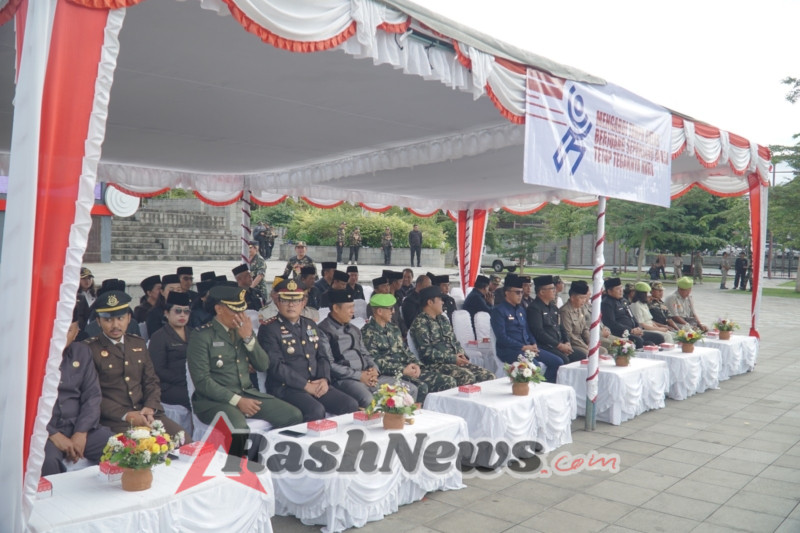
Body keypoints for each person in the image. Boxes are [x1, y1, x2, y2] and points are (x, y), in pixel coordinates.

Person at [188, 286, 301, 459]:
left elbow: (263, 365)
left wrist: (249, 339)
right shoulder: (202, 336)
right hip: (213, 401)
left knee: (292, 415)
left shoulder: (242, 330)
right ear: (219, 309)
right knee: (238, 427)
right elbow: (202, 381)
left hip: (246, 393)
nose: (241, 316)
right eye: (235, 310)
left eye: (243, 310)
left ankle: (278, 459)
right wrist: (238, 401)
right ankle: (240, 473)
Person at [86, 290, 185, 436]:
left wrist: (150, 406)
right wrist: (126, 415)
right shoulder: (89, 349)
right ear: (99, 322)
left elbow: (151, 380)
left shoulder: (137, 343)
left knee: (183, 439)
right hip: (116, 419)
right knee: (142, 450)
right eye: (108, 320)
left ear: (129, 318)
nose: (115, 325)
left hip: (147, 413)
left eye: (120, 318)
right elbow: (92, 394)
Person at [258, 280, 358, 421]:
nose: (291, 305)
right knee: (316, 410)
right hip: (287, 388)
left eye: (296, 300)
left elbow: (322, 357)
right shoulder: (269, 328)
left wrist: (324, 379)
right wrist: (305, 386)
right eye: (286, 301)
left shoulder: (310, 324)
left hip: (316, 383)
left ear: (303, 302)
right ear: (277, 303)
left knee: (350, 404)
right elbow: (276, 366)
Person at [319, 290, 420, 406]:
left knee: (410, 389)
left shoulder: (354, 329)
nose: (353, 311)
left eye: (353, 307)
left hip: (368, 375)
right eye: (349, 308)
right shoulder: (324, 331)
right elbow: (329, 364)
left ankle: (397, 422)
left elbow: (365, 354)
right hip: (345, 379)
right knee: (369, 400)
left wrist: (374, 369)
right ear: (336, 308)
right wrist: (359, 376)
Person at [42, 319, 114, 476]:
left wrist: (81, 432)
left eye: (68, 330)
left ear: (76, 333)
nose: (61, 336)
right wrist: (52, 433)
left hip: (79, 425)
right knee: (47, 461)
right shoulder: (33, 355)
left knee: (116, 447)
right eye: (58, 330)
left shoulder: (82, 352)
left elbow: (92, 396)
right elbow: (26, 404)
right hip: (45, 429)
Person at [363, 293, 459, 404]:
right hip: (391, 374)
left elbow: (405, 351)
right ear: (379, 312)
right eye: (389, 309)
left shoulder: (393, 328)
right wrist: (402, 370)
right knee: (421, 387)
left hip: (407, 369)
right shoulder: (367, 333)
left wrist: (416, 365)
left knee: (448, 381)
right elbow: (376, 362)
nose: (393, 312)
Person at [410, 286, 495, 385]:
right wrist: (453, 358)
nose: (442, 302)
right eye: (440, 300)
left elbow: (454, 341)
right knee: (467, 377)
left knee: (489, 376)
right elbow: (427, 353)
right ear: (430, 302)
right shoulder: (420, 323)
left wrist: (461, 354)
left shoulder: (442, 319)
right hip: (436, 365)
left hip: (455, 362)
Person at [490, 276, 564, 383]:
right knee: (535, 365)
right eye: (517, 292)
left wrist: (533, 344)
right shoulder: (499, 311)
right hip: (510, 350)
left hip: (527, 348)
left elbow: (528, 330)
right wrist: (523, 347)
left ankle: (543, 386)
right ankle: (532, 390)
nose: (520, 295)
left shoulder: (521, 309)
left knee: (557, 361)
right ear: (507, 293)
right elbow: (502, 337)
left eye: (521, 292)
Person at [148, 292, 193, 413]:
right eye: (178, 311)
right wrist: (184, 380)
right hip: (170, 386)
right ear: (166, 313)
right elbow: (158, 369)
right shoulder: (159, 336)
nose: (182, 315)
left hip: (193, 381)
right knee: (199, 399)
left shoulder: (194, 333)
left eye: (186, 311)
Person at [527, 275, 586, 363]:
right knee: (563, 360)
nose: (554, 291)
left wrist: (567, 342)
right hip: (546, 346)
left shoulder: (553, 307)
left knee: (581, 355)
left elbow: (561, 327)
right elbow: (539, 332)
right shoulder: (534, 308)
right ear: (542, 292)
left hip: (559, 343)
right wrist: (559, 345)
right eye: (551, 289)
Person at [601, 277, 663, 348]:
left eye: (621, 288)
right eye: (618, 289)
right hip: (621, 332)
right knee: (639, 341)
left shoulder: (623, 301)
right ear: (609, 291)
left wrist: (638, 328)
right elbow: (611, 323)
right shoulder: (607, 303)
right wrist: (631, 330)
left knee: (658, 337)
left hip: (634, 331)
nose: (621, 291)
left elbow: (632, 316)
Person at [558, 280, 593, 357]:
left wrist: (590, 341)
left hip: (581, 342)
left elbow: (584, 329)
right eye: (581, 298)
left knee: (602, 350)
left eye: (585, 298)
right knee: (587, 354)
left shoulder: (580, 308)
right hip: (572, 344)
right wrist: (585, 346)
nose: (584, 301)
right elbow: (569, 334)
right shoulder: (565, 311)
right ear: (572, 297)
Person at [145, 274, 183, 338]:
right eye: (171, 290)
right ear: (162, 292)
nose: (175, 293)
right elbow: (155, 336)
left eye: (178, 290)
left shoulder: (186, 311)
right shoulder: (154, 313)